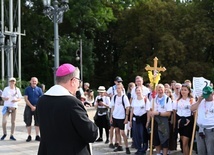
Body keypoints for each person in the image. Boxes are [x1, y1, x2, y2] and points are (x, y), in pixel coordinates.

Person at [36, 63, 98, 155]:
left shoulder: (42, 100)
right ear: (73, 81)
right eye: (78, 81)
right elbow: (91, 134)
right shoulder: (72, 103)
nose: (78, 86)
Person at [149, 84, 173, 155]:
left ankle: (165, 153)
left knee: (164, 138)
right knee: (156, 138)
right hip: (155, 121)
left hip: (163, 121)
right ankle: (158, 153)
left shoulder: (167, 99)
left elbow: (169, 113)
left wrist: (158, 113)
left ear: (164, 90)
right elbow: (150, 110)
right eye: (158, 90)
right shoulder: (153, 99)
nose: (160, 91)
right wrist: (151, 113)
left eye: (161, 89)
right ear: (156, 91)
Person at [191, 86, 214, 155]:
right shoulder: (201, 101)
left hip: (211, 129)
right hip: (200, 129)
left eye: (207, 95)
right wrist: (198, 101)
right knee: (201, 150)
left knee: (210, 150)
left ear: (212, 93)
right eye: (204, 95)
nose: (205, 97)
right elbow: (192, 109)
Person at [173, 84, 195, 155]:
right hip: (180, 121)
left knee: (185, 142)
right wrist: (174, 123)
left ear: (188, 91)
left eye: (185, 90)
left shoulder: (191, 100)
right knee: (183, 142)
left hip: (188, 121)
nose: (183, 91)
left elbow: (194, 112)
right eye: (182, 90)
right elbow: (175, 112)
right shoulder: (177, 100)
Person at [110, 83, 131, 154]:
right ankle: (120, 145)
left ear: (122, 89)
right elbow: (112, 107)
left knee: (122, 132)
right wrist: (111, 117)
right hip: (115, 116)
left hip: (121, 117)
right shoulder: (114, 97)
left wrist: (126, 117)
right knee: (117, 131)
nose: (118, 90)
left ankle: (127, 147)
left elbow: (127, 107)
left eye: (119, 88)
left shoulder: (124, 97)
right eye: (117, 88)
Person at [130, 86, 150, 155]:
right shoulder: (134, 100)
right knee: (136, 134)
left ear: (142, 91)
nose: (138, 92)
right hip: (135, 119)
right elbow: (132, 110)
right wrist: (130, 121)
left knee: (143, 134)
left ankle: (144, 149)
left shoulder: (145, 100)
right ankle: (138, 148)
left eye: (139, 90)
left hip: (143, 118)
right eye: (137, 91)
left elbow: (148, 111)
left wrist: (148, 121)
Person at [24, 77, 43, 142]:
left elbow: (41, 99)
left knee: (37, 121)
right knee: (28, 121)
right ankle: (29, 135)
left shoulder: (39, 89)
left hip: (37, 107)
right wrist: (31, 106)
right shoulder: (27, 89)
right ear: (30, 81)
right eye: (33, 81)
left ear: (37, 82)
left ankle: (37, 135)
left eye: (35, 81)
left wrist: (36, 106)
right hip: (29, 107)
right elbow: (26, 99)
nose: (34, 82)